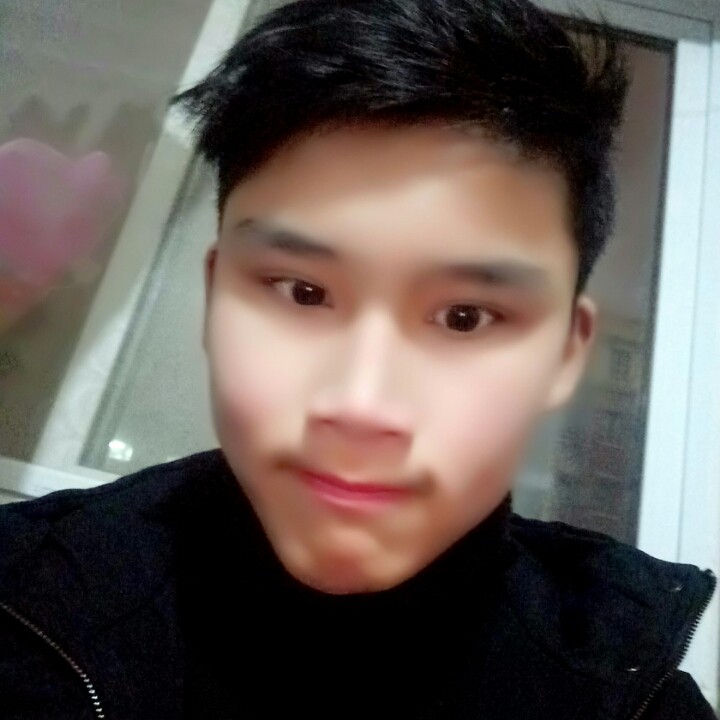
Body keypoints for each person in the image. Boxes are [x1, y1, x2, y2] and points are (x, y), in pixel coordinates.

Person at [0, 0, 716, 718]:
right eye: (303, 292)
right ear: (216, 297)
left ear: (564, 353)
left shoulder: (634, 700)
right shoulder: (21, 603)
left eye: (464, 317)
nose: (361, 404)